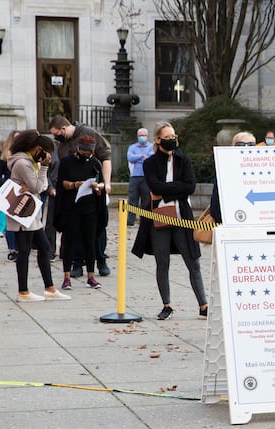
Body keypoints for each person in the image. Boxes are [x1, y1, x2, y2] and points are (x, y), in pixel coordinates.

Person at [131, 121, 208, 321]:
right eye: (168, 137)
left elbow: (190, 186)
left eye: (174, 136)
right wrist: (173, 189)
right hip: (159, 216)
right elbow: (154, 188)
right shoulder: (150, 163)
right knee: (162, 261)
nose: (172, 140)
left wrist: (165, 190)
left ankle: (203, 304)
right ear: (157, 140)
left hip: (182, 216)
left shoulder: (184, 160)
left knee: (193, 261)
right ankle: (166, 305)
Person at [6, 129, 71, 303]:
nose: (46, 156)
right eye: (44, 152)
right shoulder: (23, 163)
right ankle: (23, 291)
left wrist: (37, 182)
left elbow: (38, 186)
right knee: (24, 251)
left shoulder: (28, 162)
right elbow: (38, 187)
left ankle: (49, 288)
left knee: (44, 247)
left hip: (31, 213)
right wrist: (43, 168)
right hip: (23, 214)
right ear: (35, 148)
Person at [48, 115, 112, 275]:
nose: (56, 137)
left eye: (57, 133)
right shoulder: (62, 145)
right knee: (74, 229)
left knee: (96, 228)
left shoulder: (88, 133)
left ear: (63, 128)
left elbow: (105, 157)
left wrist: (106, 183)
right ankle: (77, 263)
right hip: (73, 194)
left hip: (93, 190)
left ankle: (100, 259)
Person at [55, 135, 108, 291]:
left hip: (90, 208)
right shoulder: (67, 162)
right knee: (70, 242)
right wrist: (75, 184)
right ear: (78, 148)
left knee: (90, 242)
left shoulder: (95, 163)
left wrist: (98, 186)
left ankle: (91, 276)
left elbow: (102, 182)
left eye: (90, 152)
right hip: (72, 208)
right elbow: (61, 183)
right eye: (85, 151)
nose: (87, 154)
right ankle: (66, 277)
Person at [0, 131, 20, 261]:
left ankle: (20, 247)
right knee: (11, 222)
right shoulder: (3, 157)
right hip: (10, 190)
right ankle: (12, 248)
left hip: (22, 189)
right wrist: (7, 185)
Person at [126, 128, 154, 226]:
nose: (142, 137)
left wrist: (138, 157)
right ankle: (130, 221)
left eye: (144, 135)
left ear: (147, 136)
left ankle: (144, 222)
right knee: (132, 199)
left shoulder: (152, 147)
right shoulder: (132, 147)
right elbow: (130, 158)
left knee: (146, 200)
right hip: (134, 176)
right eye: (140, 135)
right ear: (137, 136)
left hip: (147, 177)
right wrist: (142, 156)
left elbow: (151, 157)